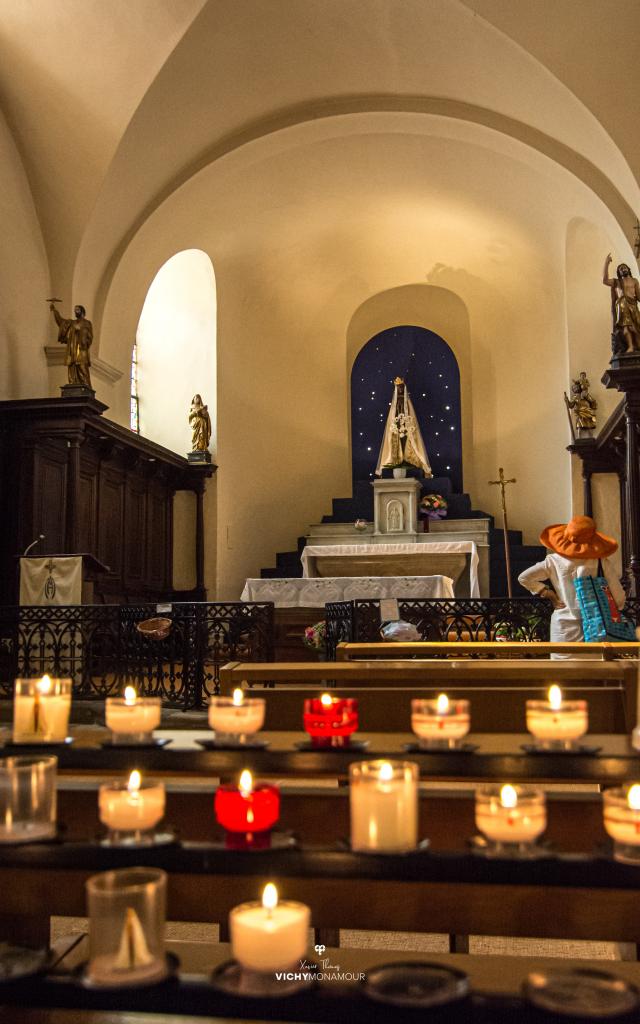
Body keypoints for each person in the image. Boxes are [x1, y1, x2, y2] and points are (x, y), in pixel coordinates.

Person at [518, 515, 625, 658]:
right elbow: (618, 598)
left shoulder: (553, 561)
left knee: (562, 675)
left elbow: (524, 577)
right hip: (596, 628)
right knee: (594, 674)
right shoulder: (600, 562)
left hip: (563, 627)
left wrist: (548, 593)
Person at [375, 376, 432, 476]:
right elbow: (393, 415)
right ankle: (397, 459)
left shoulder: (407, 402)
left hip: (406, 425)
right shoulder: (395, 402)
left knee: (407, 441)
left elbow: (409, 414)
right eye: (398, 388)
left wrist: (406, 422)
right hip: (397, 425)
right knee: (396, 441)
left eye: (401, 387)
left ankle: (407, 458)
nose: (400, 389)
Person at [50, 301, 93, 388]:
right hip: (72, 349)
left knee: (82, 367)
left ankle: (86, 386)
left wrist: (81, 333)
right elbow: (61, 322)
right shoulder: (72, 323)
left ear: (82, 311)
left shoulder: (87, 323)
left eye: (77, 310)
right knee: (72, 366)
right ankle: (73, 384)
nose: (75, 311)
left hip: (81, 349)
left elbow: (90, 336)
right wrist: (55, 311)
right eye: (75, 310)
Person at [603, 254, 640, 354]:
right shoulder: (617, 282)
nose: (623, 269)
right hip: (622, 306)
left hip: (633, 306)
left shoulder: (634, 281)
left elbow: (639, 296)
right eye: (620, 269)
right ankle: (630, 347)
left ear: (628, 269)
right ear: (618, 273)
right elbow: (605, 280)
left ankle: (637, 345)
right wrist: (606, 263)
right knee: (626, 327)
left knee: (636, 327)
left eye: (624, 267)